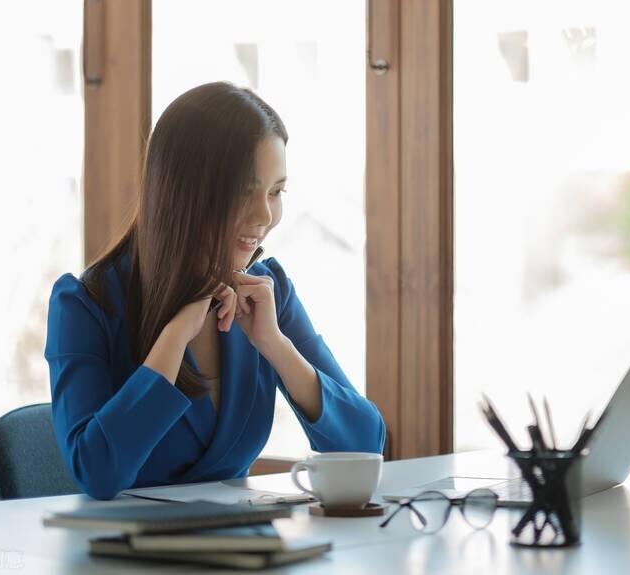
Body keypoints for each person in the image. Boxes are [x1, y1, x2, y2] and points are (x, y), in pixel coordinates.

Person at [45, 82, 385, 500]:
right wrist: (172, 341)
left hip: (243, 555)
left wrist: (276, 346)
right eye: (245, 192)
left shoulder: (266, 292)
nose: (265, 214)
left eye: (276, 192)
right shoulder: (84, 304)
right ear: (186, 194)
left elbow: (366, 444)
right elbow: (96, 472)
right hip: (129, 558)